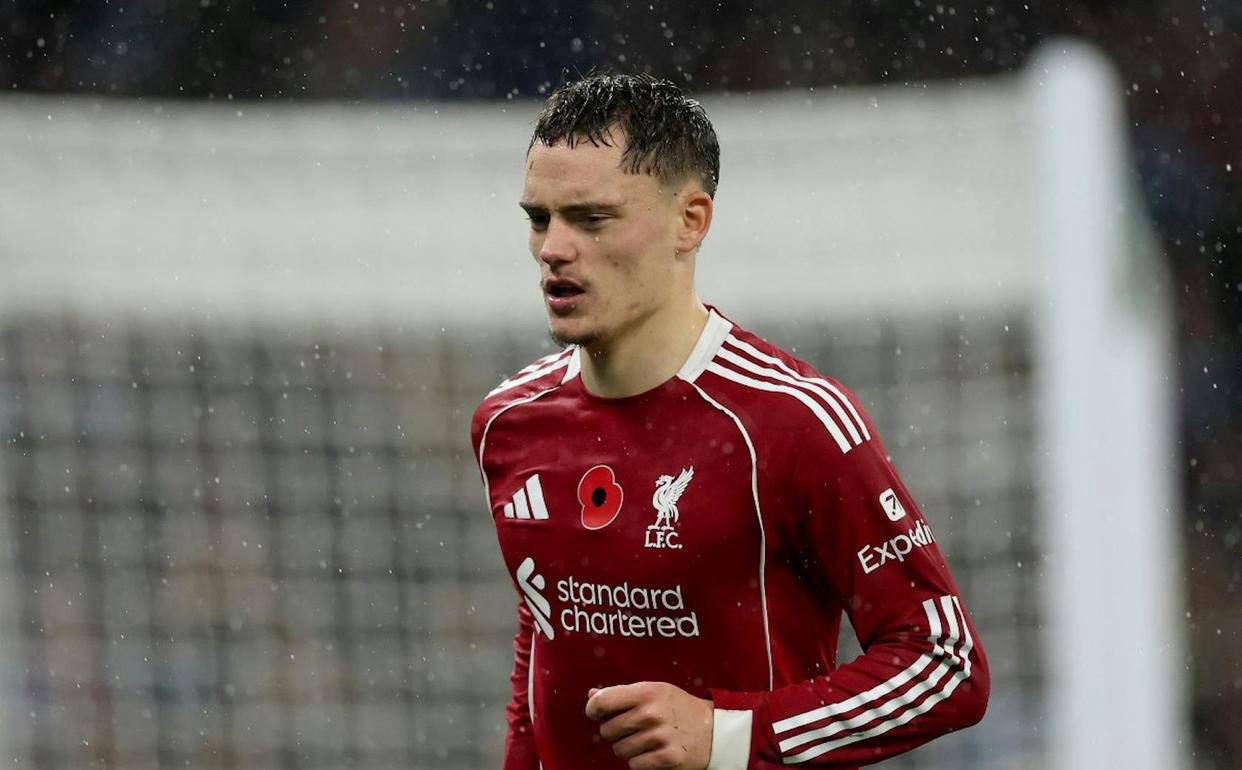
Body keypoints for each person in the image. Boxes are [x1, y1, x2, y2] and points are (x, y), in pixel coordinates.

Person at [470, 73, 989, 770]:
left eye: (591, 219)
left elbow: (946, 663)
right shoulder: (508, 422)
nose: (553, 249)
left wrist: (732, 735)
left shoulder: (791, 422)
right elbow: (543, 638)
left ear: (691, 221)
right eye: (540, 219)